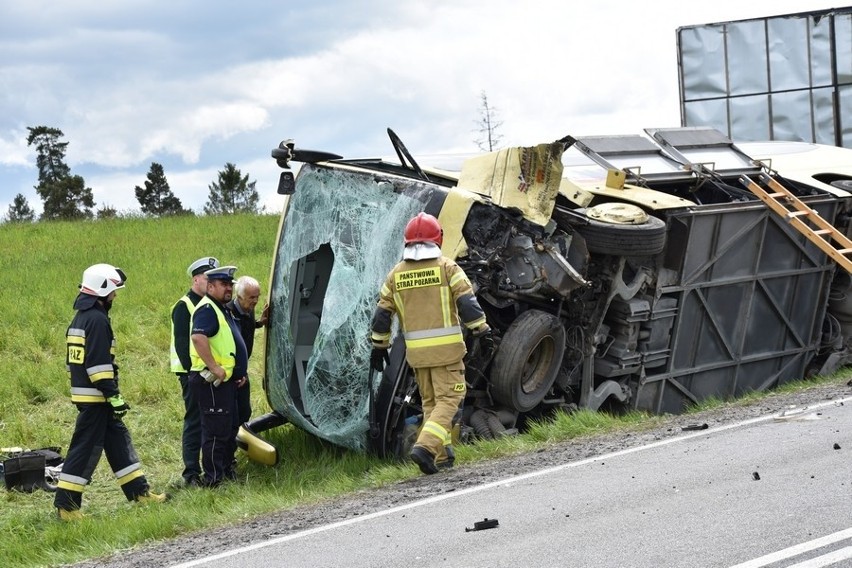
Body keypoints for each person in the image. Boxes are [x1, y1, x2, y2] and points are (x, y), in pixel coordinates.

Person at [370, 213, 492, 474]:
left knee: (431, 403)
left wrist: (379, 346)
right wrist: (482, 330)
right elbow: (467, 304)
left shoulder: (396, 275)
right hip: (446, 353)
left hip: (417, 355)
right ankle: (425, 447)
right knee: (450, 399)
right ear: (438, 238)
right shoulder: (447, 267)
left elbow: (382, 314)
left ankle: (441, 456)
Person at [54, 264, 168, 521]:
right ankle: (67, 507)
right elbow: (98, 366)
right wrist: (113, 395)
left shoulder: (82, 318)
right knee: (84, 451)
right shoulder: (96, 320)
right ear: (102, 290)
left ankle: (140, 493)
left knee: (119, 444)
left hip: (92, 396)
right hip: (97, 398)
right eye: (113, 291)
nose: (115, 296)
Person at [188, 265, 248, 487]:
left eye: (230, 285)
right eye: (223, 285)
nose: (228, 289)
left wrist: (236, 374)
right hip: (211, 382)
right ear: (210, 286)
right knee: (216, 432)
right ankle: (213, 480)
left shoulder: (221, 308)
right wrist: (214, 367)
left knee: (228, 427)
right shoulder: (207, 309)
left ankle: (224, 470)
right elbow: (198, 338)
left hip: (226, 381)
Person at [169, 256, 219, 488]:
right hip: (192, 374)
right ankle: (191, 473)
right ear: (196, 279)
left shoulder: (209, 303)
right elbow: (182, 345)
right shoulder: (184, 306)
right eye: (207, 279)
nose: (210, 284)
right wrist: (195, 373)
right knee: (195, 421)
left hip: (209, 372)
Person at [225, 275, 269, 425]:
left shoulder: (248, 308)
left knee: (245, 409)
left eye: (257, 296)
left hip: (243, 369)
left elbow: (245, 327)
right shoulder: (227, 313)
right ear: (239, 296)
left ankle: (241, 437)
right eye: (251, 297)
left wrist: (259, 323)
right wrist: (236, 372)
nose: (255, 301)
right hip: (231, 371)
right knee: (232, 409)